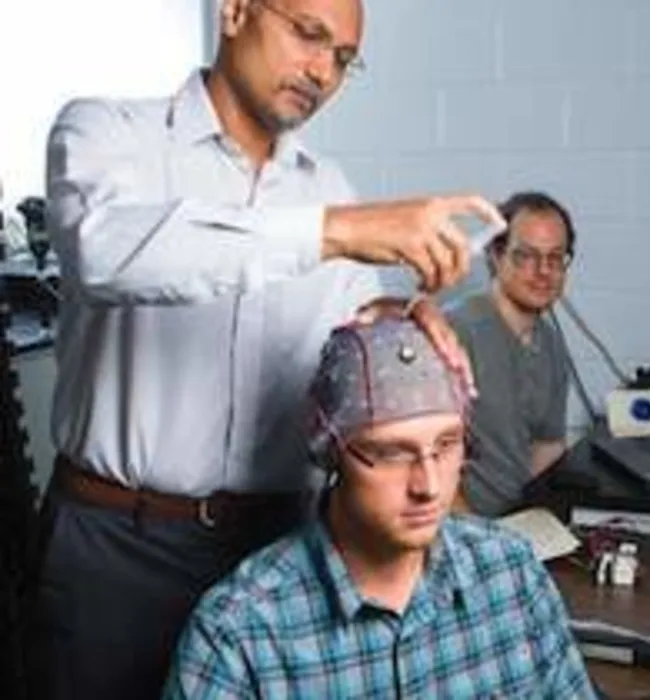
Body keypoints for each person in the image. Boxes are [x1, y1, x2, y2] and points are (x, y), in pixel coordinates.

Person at [32, 0, 503, 698]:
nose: (321, 71)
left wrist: (397, 321)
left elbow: (341, 347)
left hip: (278, 549)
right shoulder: (108, 133)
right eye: (308, 35)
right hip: (117, 548)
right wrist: (336, 231)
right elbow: (105, 252)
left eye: (344, 59)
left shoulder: (328, 190)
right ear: (234, 11)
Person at [162, 317, 597, 698]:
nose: (428, 486)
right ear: (331, 452)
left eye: (446, 445)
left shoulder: (511, 575)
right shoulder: (241, 631)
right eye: (391, 454)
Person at [448, 191, 575, 516]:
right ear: (495, 254)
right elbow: (417, 464)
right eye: (527, 256)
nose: (544, 271)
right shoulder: (455, 332)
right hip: (457, 527)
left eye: (555, 257)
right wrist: (478, 539)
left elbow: (547, 446)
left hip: (515, 520)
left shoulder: (550, 342)